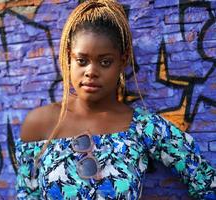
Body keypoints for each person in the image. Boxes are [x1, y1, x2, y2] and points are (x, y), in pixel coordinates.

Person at [15, 0, 216, 199]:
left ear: (122, 61)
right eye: (82, 61)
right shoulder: (39, 125)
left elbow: (206, 182)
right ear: (69, 58)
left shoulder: (143, 127)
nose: (91, 72)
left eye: (105, 62)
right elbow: (27, 194)